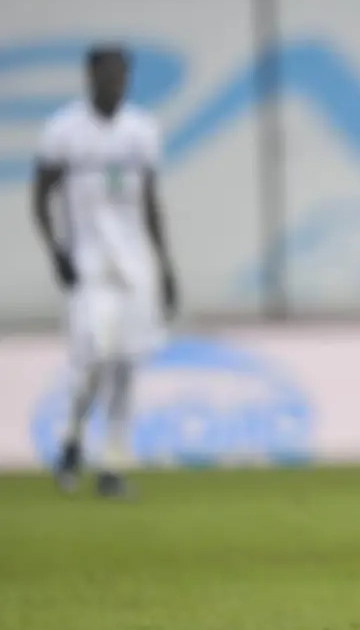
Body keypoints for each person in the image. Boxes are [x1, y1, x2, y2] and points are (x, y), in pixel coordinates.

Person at [32, 44, 178, 498]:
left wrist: (165, 265)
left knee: (127, 364)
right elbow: (40, 196)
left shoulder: (141, 131)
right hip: (89, 266)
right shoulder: (64, 131)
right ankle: (72, 438)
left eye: (123, 74)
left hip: (135, 268)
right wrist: (56, 251)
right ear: (91, 76)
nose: (117, 82)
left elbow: (150, 202)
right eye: (110, 73)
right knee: (92, 357)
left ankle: (113, 464)